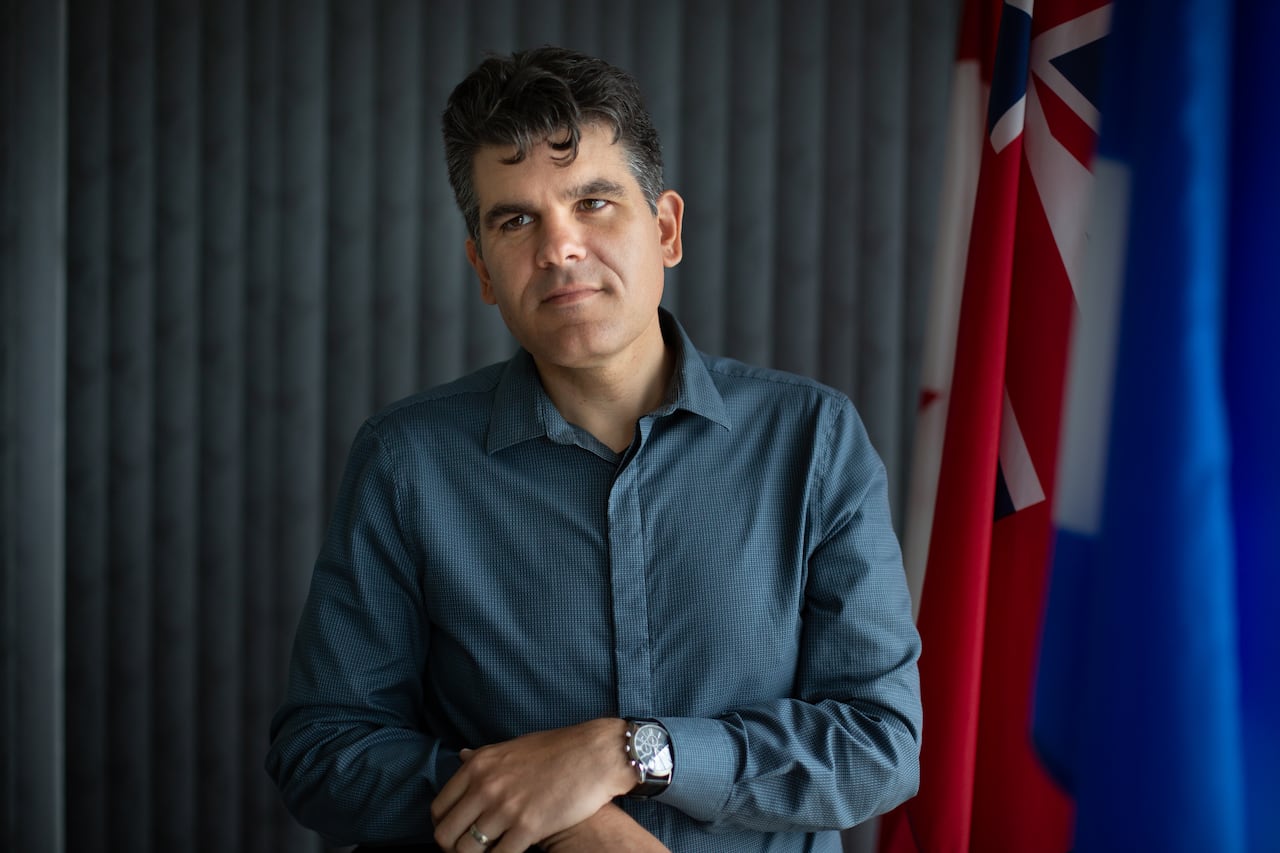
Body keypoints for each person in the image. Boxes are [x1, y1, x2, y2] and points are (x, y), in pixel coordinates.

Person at [266, 46, 922, 853]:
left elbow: (879, 744)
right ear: (482, 268)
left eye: (594, 202)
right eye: (516, 221)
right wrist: (551, 812)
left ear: (666, 228)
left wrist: (628, 753)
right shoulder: (405, 462)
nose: (559, 248)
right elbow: (323, 750)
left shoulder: (813, 440)